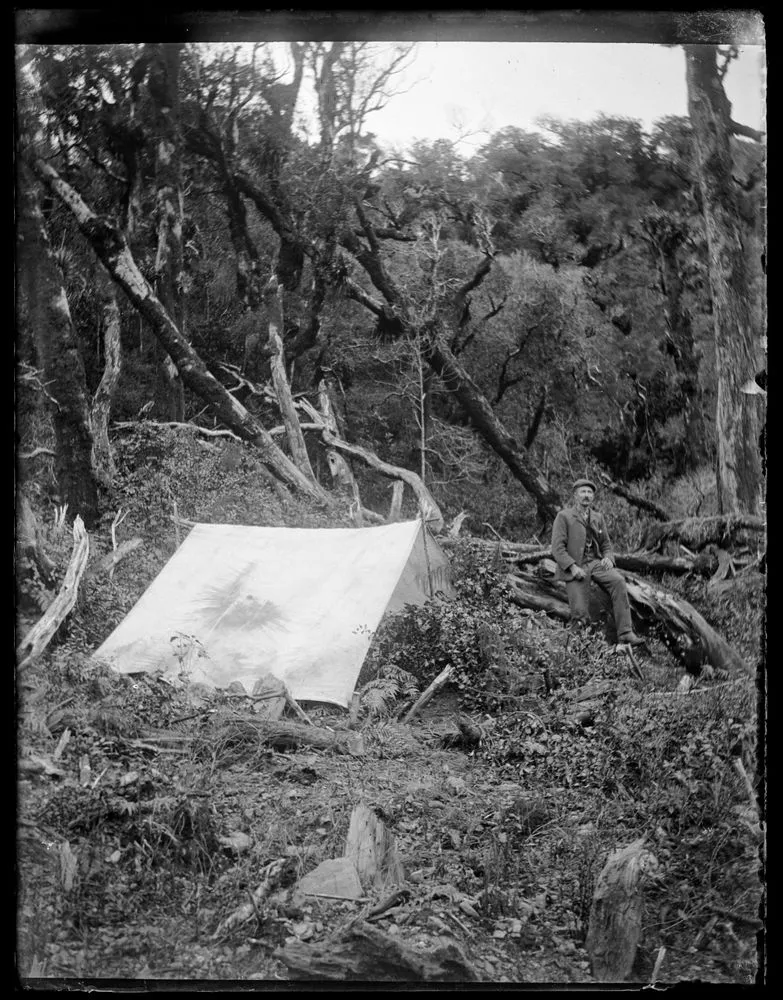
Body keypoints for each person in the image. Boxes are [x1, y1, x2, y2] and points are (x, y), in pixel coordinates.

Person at [551, 478, 644, 645]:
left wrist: (608, 557)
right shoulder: (564, 516)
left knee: (618, 581)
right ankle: (575, 650)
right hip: (575, 566)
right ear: (575, 495)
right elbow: (557, 548)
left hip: (594, 562)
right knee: (579, 613)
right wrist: (572, 567)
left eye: (589, 492)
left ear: (593, 496)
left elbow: (606, 544)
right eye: (583, 492)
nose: (586, 496)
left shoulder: (597, 517)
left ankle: (625, 633)